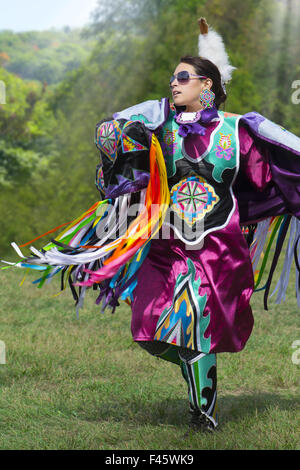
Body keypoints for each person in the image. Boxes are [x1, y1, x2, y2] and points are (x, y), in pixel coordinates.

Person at [7, 19, 300, 432]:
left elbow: (270, 177)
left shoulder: (239, 130)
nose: (174, 84)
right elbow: (113, 145)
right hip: (166, 244)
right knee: (148, 331)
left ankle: (203, 416)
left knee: (197, 326)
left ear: (207, 85)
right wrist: (129, 123)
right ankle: (197, 370)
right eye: (172, 79)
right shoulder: (161, 128)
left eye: (183, 78)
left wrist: (264, 210)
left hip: (216, 247)